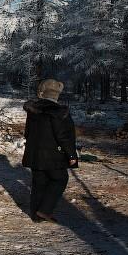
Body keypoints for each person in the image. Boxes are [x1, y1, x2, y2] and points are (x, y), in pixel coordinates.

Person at [22, 78, 78, 223]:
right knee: (60, 179)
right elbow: (64, 136)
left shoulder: (33, 110)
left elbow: (27, 133)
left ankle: (36, 215)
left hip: (34, 154)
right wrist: (71, 154)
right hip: (53, 155)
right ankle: (44, 210)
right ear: (56, 95)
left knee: (39, 182)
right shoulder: (59, 112)